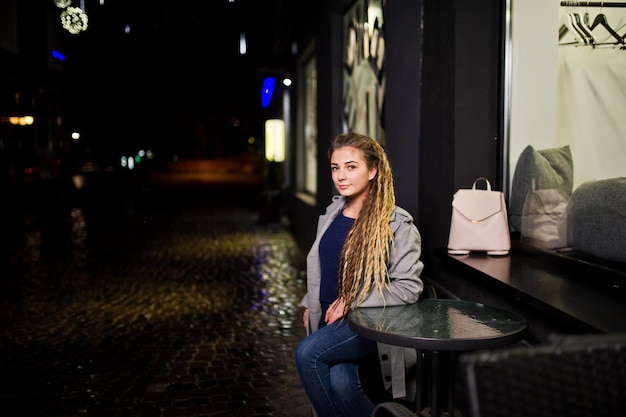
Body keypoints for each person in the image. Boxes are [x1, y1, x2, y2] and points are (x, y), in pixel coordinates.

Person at [294, 132, 424, 417]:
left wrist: (353, 299)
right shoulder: (332, 213)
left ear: (373, 170)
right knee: (341, 384)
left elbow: (409, 288)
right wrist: (309, 301)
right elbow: (324, 263)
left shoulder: (397, 224)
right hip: (328, 317)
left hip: (366, 323)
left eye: (351, 166)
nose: (341, 175)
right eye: (335, 167)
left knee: (306, 355)